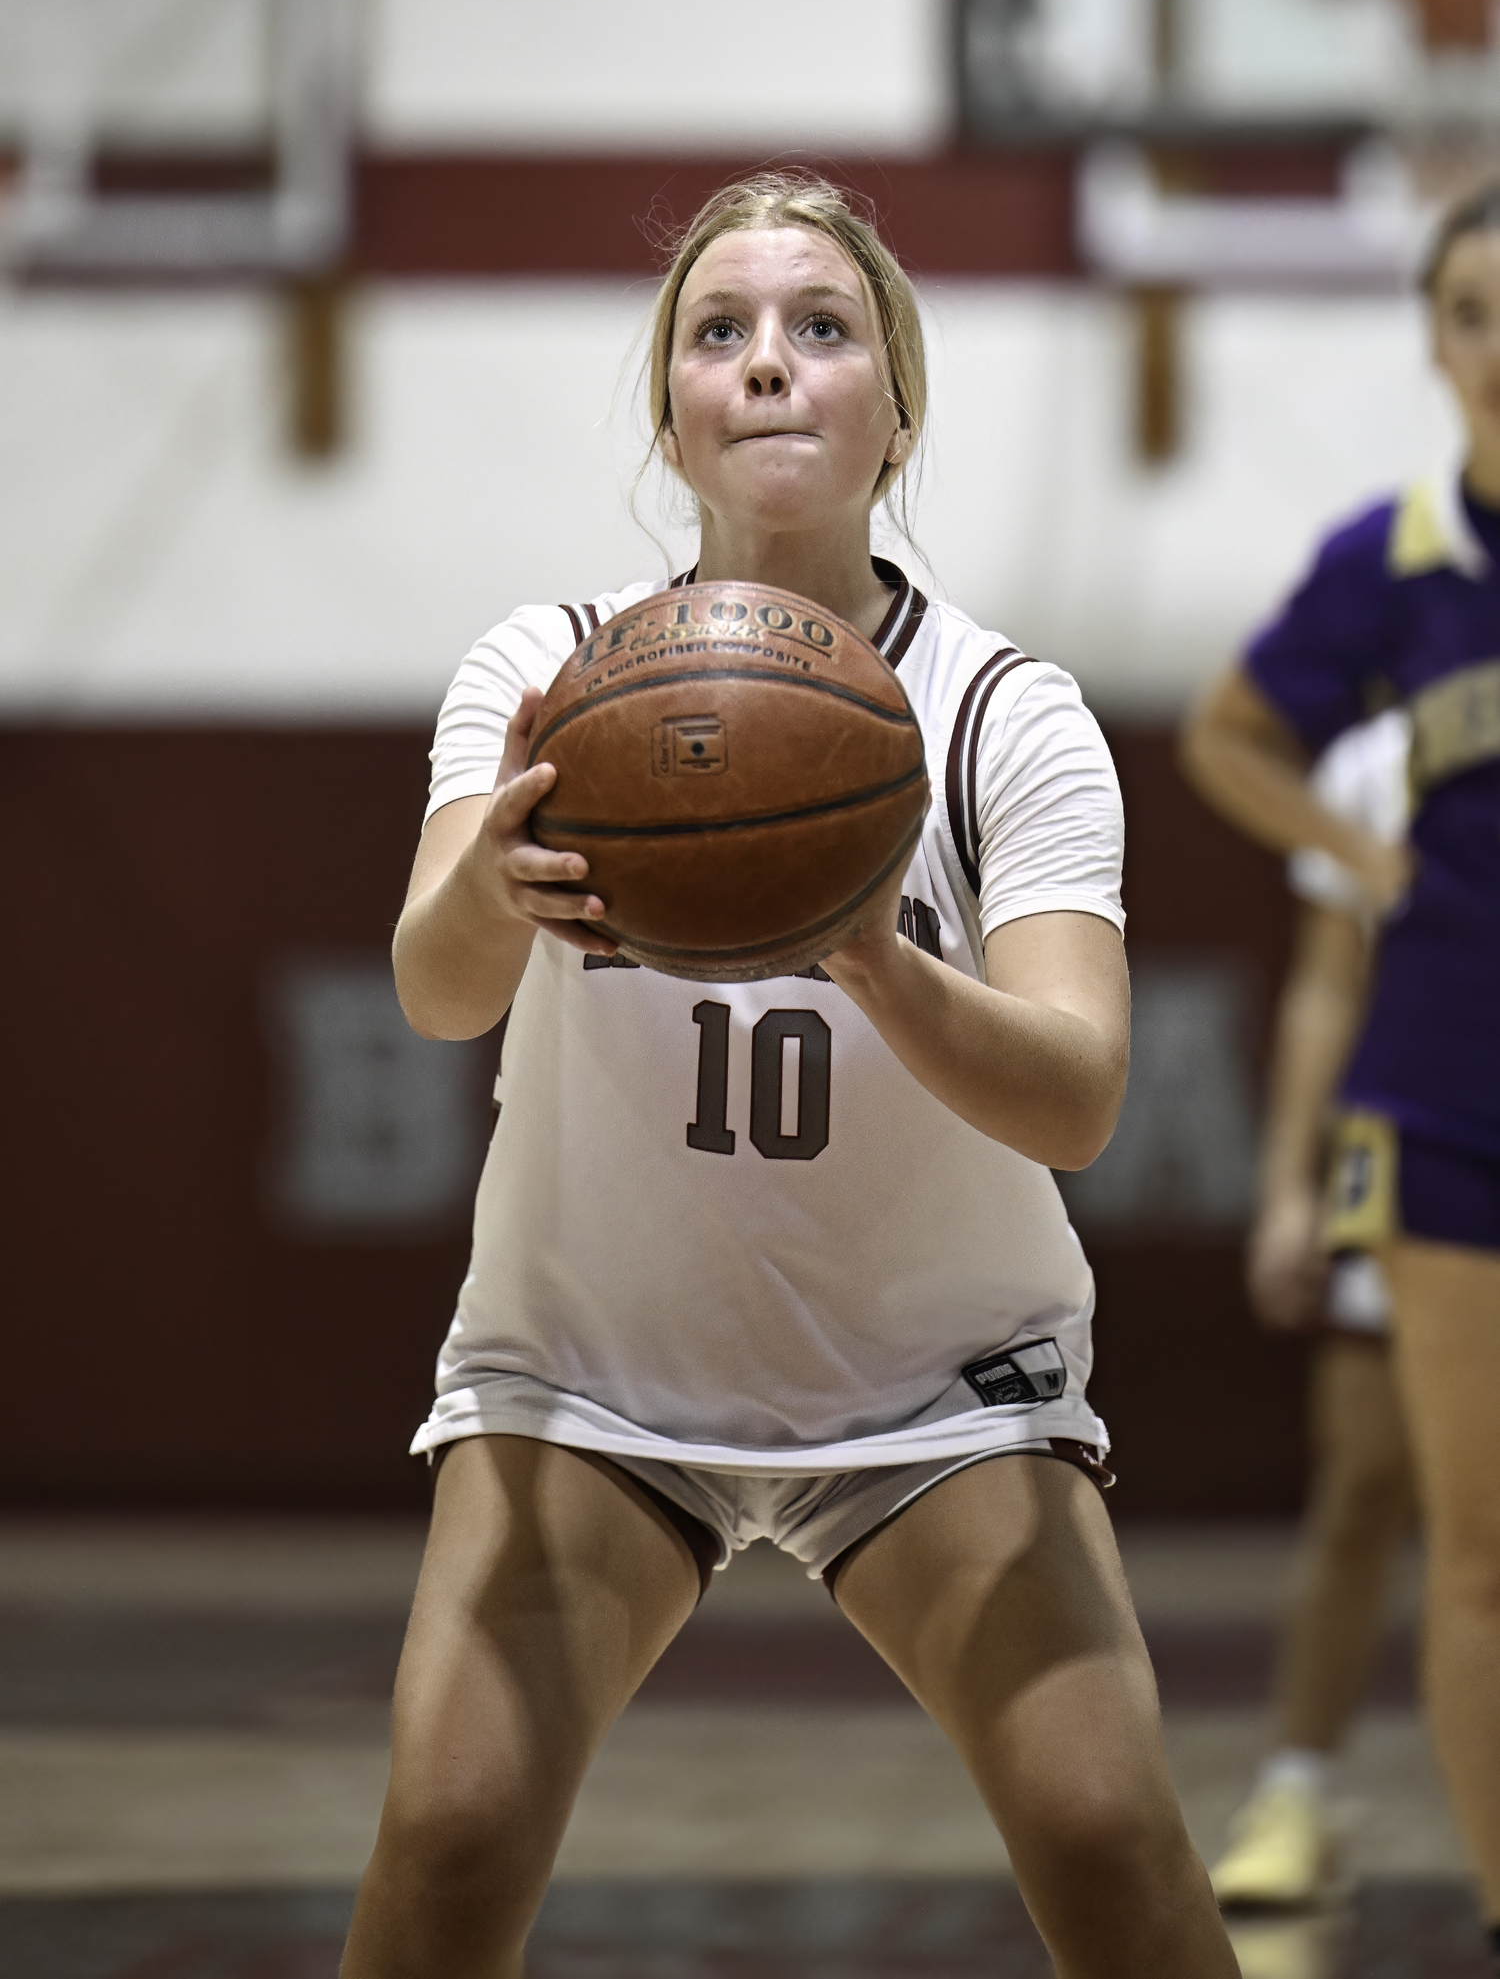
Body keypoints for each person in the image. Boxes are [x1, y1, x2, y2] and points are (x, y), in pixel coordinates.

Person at [339, 173, 1237, 1978]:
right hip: (588, 1373)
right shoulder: (543, 673)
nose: (768, 365)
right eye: (719, 331)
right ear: (671, 406)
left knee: (1108, 1837)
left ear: (898, 409)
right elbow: (436, 994)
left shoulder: (1004, 709)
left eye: (823, 327)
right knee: (444, 1845)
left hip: (931, 1379)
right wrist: (496, 882)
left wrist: (863, 943)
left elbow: (1074, 1094)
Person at [1182, 182, 1500, 1969]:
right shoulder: (1392, 563)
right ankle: (1327, 1788)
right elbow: (1230, 734)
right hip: (1444, 1097)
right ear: (1434, 340)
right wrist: (1366, 859)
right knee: (1430, 1516)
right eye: (1472, 308)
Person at [1209, 709, 1418, 1908]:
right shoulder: (1381, 758)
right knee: (1362, 1483)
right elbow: (1327, 989)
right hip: (1426, 1150)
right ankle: (1299, 1785)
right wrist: (1290, 1185)